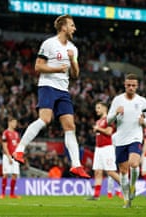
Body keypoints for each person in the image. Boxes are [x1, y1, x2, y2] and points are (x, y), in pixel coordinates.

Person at [12, 14, 90, 179]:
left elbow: (75, 74)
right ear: (63, 27)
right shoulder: (49, 44)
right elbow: (38, 66)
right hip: (47, 86)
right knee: (45, 119)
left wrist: (72, 61)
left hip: (63, 90)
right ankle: (19, 150)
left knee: (70, 126)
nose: (74, 29)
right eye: (72, 25)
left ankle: (76, 165)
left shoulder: (73, 49)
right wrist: (56, 69)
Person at [107, 73, 146, 208]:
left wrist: (144, 120)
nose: (131, 87)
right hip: (121, 139)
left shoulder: (142, 101)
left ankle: (132, 186)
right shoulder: (117, 100)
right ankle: (127, 200)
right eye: (129, 85)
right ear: (125, 85)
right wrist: (116, 113)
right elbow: (108, 120)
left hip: (136, 137)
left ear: (137, 86)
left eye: (133, 85)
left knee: (134, 164)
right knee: (123, 171)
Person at [87, 101, 121, 200]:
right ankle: (96, 195)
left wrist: (98, 129)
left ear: (104, 108)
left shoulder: (108, 119)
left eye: (98, 108)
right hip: (98, 148)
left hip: (107, 148)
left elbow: (109, 132)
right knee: (97, 171)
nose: (96, 110)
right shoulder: (98, 121)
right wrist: (98, 129)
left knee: (110, 172)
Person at [0, 117, 21, 199]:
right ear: (9, 123)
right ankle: (2, 193)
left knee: (15, 174)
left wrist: (19, 155)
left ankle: (12, 194)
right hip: (7, 156)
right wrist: (9, 156)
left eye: (16, 122)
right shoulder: (5, 133)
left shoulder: (16, 134)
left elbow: (18, 145)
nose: (15, 124)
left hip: (15, 156)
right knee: (5, 174)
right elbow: (4, 146)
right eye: (14, 122)